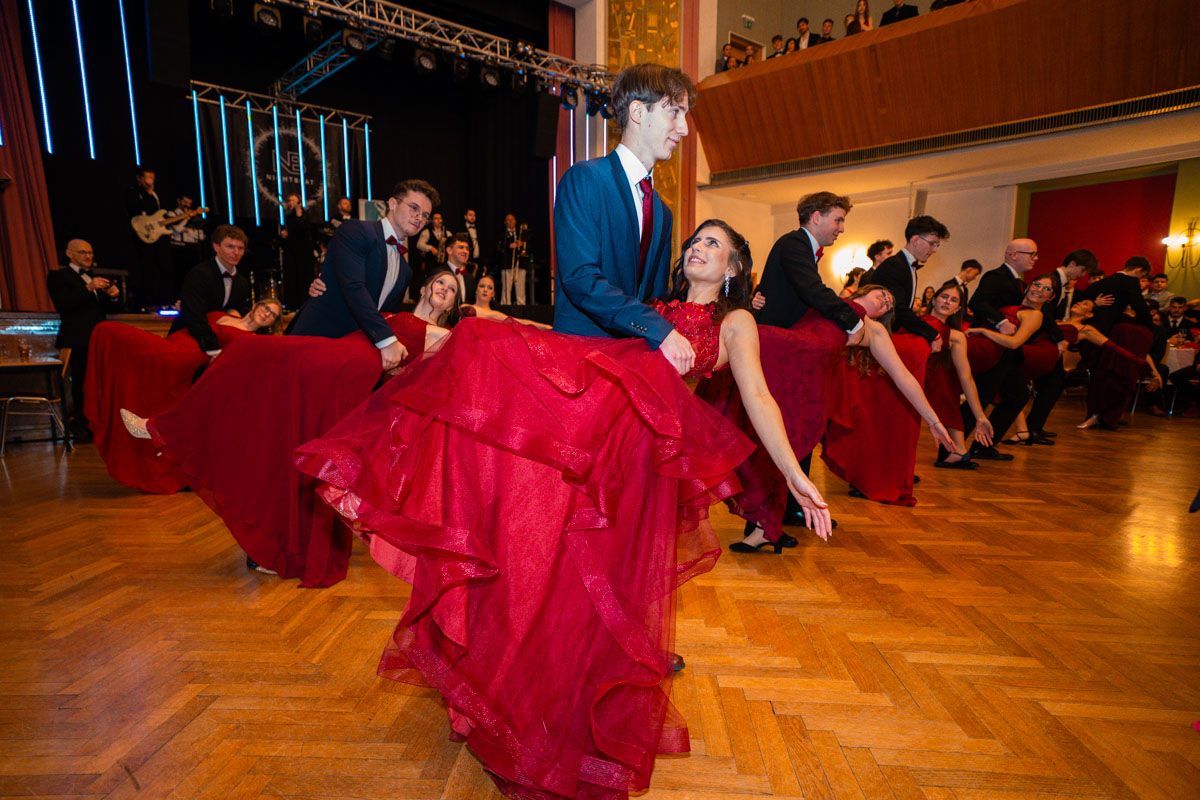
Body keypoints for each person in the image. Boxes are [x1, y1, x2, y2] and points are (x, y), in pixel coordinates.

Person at [292, 218, 831, 799]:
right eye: (696, 240)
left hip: (636, 464)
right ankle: (520, 703)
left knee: (598, 589)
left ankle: (568, 725)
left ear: (733, 267)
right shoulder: (654, 308)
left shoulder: (736, 321)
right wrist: (506, 324)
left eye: (714, 244)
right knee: (546, 566)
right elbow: (593, 350)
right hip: (593, 439)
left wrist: (794, 473)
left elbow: (758, 396)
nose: (698, 248)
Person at [121, 269, 458, 584]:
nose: (444, 289)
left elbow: (454, 356)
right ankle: (169, 428)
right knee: (247, 357)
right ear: (425, 287)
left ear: (453, 305)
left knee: (253, 358)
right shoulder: (392, 312)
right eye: (440, 282)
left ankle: (165, 430)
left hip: (345, 372)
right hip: (331, 356)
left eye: (452, 289)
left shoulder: (441, 336)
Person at [553, 63, 696, 374]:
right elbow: (581, 279)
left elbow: (653, 297)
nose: (684, 128)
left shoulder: (663, 212)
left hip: (632, 365)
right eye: (674, 112)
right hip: (579, 364)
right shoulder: (585, 179)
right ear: (638, 112)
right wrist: (659, 330)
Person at [87, 300, 280, 493]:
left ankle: (150, 436)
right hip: (171, 343)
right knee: (109, 334)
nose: (266, 314)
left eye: (272, 315)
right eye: (266, 308)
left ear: (272, 323)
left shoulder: (250, 339)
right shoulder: (224, 315)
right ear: (256, 305)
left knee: (111, 334)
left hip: (181, 358)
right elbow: (193, 319)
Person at [289, 178, 440, 374]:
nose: (419, 217)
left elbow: (386, 316)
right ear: (393, 204)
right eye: (414, 208)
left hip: (354, 359)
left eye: (425, 215)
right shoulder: (357, 230)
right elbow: (353, 287)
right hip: (317, 343)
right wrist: (387, 341)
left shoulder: (405, 271)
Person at [46, 239, 121, 442]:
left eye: (90, 252)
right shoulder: (58, 276)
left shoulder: (93, 277)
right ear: (69, 254)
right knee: (81, 384)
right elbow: (64, 304)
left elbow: (105, 310)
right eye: (83, 252)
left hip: (100, 339)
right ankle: (81, 426)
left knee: (101, 383)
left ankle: (100, 425)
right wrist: (88, 287)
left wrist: (113, 296)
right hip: (77, 340)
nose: (88, 256)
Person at [921, 282, 993, 467]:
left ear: (958, 308)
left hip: (932, 380)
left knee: (948, 380)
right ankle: (958, 449)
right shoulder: (916, 322)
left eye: (953, 300)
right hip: (909, 375)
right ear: (934, 300)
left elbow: (965, 376)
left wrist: (980, 416)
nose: (947, 302)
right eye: (944, 297)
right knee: (944, 380)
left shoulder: (956, 336)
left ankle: (958, 449)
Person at [169, 225, 253, 356]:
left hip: (220, 339)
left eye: (240, 248)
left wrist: (235, 312)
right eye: (230, 246)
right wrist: (213, 347)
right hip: (189, 336)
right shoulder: (199, 274)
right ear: (216, 247)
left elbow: (242, 310)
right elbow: (194, 315)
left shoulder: (242, 282)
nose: (236, 252)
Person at [865, 215, 947, 342]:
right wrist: (932, 334)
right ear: (915, 240)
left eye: (937, 245)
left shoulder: (906, 266)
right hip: (881, 334)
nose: (935, 249)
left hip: (891, 331)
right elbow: (898, 309)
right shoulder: (894, 265)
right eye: (932, 243)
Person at [125, 166, 173, 309]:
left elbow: (161, 213)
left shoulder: (157, 195)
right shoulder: (134, 192)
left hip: (159, 236)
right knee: (147, 269)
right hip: (143, 235)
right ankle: (147, 301)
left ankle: (166, 301)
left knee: (165, 267)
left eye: (152, 178)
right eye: (147, 177)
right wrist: (148, 193)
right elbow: (134, 211)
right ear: (139, 178)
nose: (150, 181)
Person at [459, 274, 550, 329]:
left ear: (493, 294)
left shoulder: (497, 315)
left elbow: (520, 322)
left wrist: (546, 327)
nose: (485, 290)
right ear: (476, 290)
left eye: (490, 288)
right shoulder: (465, 306)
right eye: (482, 286)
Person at [280, 192, 316, 310]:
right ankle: (291, 305)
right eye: (289, 200)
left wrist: (298, 211)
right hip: (291, 251)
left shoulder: (304, 215)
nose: (291, 203)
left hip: (304, 252)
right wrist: (284, 234)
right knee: (291, 278)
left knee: (304, 278)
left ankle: (305, 305)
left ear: (299, 202)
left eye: (293, 200)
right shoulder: (287, 216)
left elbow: (302, 228)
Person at [496, 213, 527, 305]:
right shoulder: (502, 234)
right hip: (507, 264)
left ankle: (521, 307)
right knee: (506, 288)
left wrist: (521, 244)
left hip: (520, 264)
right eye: (508, 220)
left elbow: (527, 247)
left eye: (512, 219)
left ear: (515, 221)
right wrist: (509, 246)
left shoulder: (521, 233)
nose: (510, 221)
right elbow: (498, 248)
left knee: (521, 288)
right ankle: (505, 307)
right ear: (505, 222)